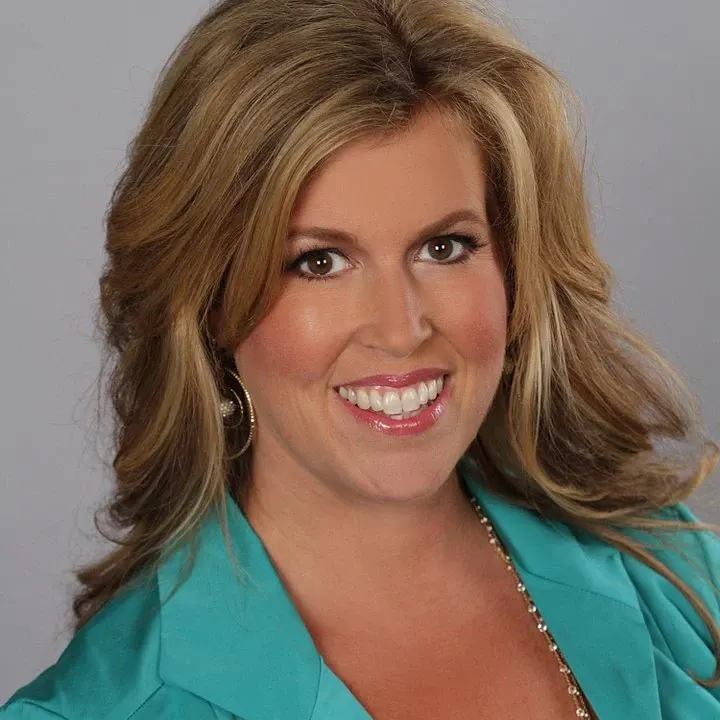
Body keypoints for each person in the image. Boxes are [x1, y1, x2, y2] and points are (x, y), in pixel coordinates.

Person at [3, 0, 720, 717]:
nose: (402, 330)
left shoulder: (679, 579)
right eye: (319, 262)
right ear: (211, 305)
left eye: (444, 247)